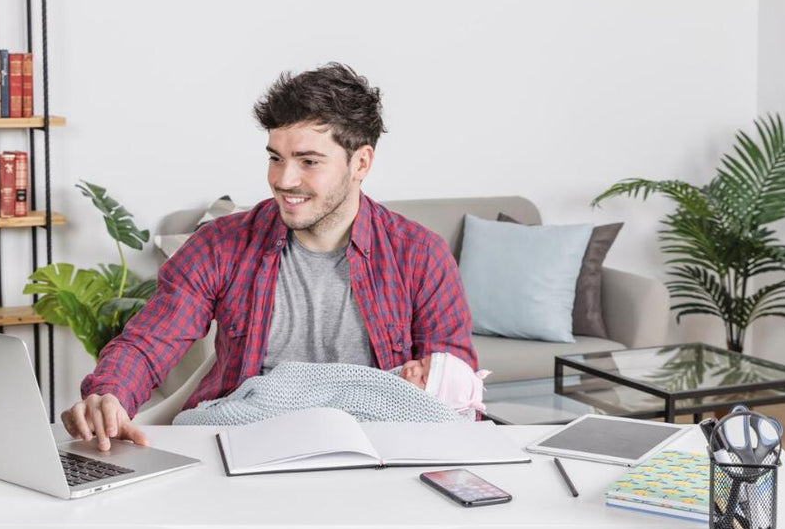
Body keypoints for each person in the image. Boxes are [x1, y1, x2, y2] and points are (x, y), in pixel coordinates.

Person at [62, 63, 476, 450]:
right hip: (244, 447)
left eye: (308, 161)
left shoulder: (420, 256)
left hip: (373, 456)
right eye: (276, 157)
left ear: (360, 163)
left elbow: (451, 399)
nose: (283, 179)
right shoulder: (220, 245)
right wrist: (109, 395)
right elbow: (148, 342)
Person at [171, 352, 491, 427]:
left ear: (431, 402)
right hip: (295, 392)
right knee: (260, 404)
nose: (412, 369)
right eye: (420, 362)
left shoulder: (418, 414)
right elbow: (343, 385)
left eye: (422, 378)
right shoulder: (389, 381)